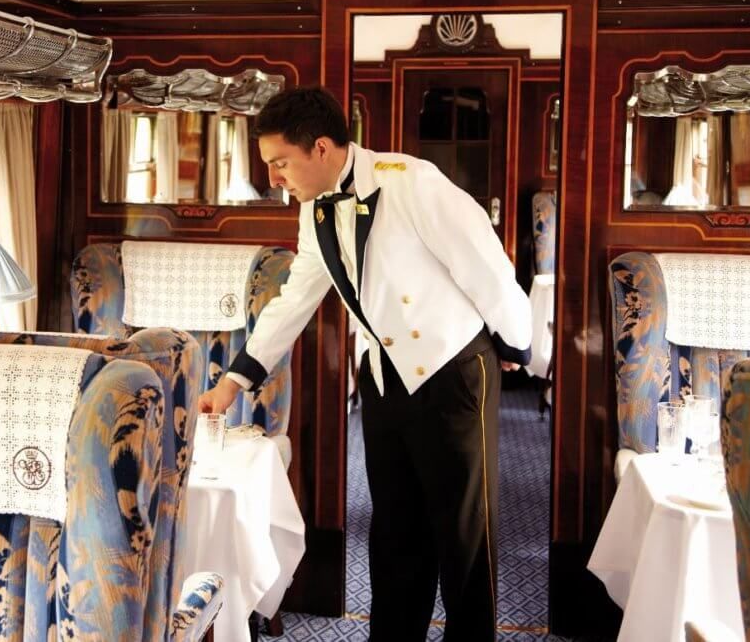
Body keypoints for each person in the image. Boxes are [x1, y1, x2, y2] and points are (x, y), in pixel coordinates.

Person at [198, 87, 531, 642]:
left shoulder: (412, 182)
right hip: (382, 377)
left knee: (464, 535)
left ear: (320, 148)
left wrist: (516, 345)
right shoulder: (314, 206)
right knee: (396, 532)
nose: (274, 178)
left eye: (281, 163)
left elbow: (487, 268)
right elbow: (297, 296)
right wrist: (234, 381)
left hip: (452, 373)